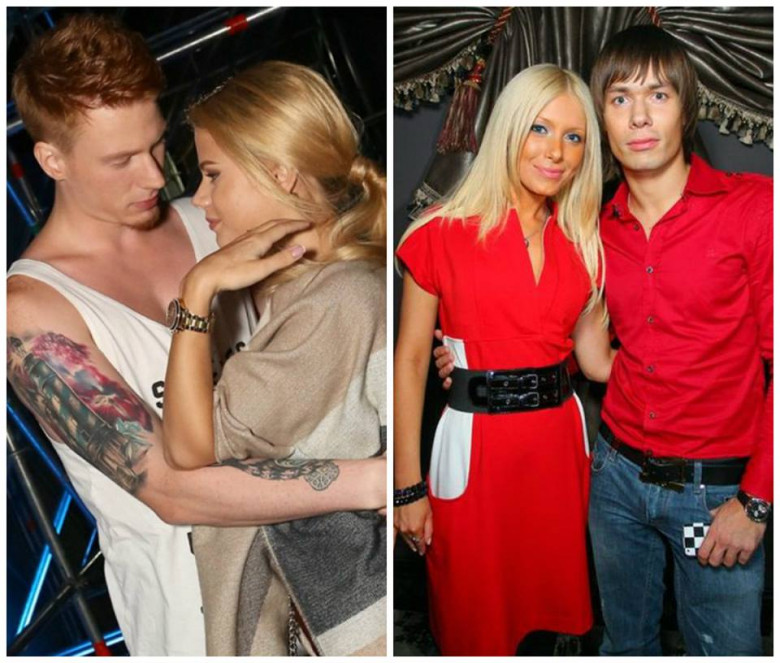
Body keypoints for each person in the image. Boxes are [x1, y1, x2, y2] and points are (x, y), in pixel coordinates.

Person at [6, 14, 385, 656]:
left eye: (156, 144)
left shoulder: (215, 218)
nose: (155, 176)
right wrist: (377, 481)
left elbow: (342, 317)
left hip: (330, 582)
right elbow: (174, 490)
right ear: (52, 159)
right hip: (193, 618)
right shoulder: (32, 311)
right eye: (121, 160)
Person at [435, 25, 772, 656]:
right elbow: (582, 350)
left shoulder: (753, 208)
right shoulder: (591, 228)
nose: (639, 116)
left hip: (715, 494)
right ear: (603, 120)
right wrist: (472, 362)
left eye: (658, 95)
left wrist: (756, 502)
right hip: (613, 480)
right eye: (620, 98)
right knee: (623, 643)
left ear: (686, 109)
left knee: (724, 649)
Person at [159, 61, 387, 656]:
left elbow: (190, 448)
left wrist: (197, 291)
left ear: (280, 173)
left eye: (213, 174)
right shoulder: (320, 287)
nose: (199, 198)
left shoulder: (336, 299)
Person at [394, 64, 614, 656]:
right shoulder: (438, 232)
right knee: (475, 618)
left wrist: (691, 358)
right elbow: (411, 360)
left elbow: (597, 362)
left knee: (549, 617)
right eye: (540, 128)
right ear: (508, 128)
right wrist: (406, 487)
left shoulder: (585, 241)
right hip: (475, 449)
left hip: (556, 452)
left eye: (574, 137)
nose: (556, 151)